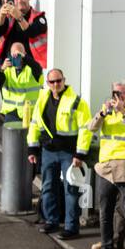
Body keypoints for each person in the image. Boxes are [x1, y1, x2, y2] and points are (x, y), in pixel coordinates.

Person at [27, 69, 92, 239]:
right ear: (47, 83)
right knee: (47, 187)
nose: (56, 84)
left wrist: (79, 154)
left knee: (70, 190)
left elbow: (85, 130)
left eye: (59, 81)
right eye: (52, 82)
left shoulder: (77, 102)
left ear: (64, 80)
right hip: (48, 152)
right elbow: (34, 124)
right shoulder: (42, 99)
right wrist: (32, 149)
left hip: (68, 154)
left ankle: (71, 227)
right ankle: (51, 221)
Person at [84, 81, 125, 249]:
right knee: (105, 211)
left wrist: (123, 111)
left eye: (121, 93)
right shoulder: (106, 109)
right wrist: (101, 113)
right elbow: (91, 127)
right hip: (105, 167)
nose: (117, 96)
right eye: (114, 92)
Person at [0, 0, 48, 70]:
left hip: (31, 67)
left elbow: (31, 32)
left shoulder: (39, 17)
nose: (19, 1)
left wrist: (19, 17)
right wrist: (1, 16)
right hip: (8, 64)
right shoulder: (9, 17)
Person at [0, 41, 42, 125]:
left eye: (19, 54)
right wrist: (1, 69)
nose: (16, 56)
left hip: (30, 113)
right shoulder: (6, 70)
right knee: (11, 137)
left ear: (24, 54)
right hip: (11, 113)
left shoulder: (31, 69)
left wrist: (24, 57)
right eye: (13, 54)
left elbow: (38, 68)